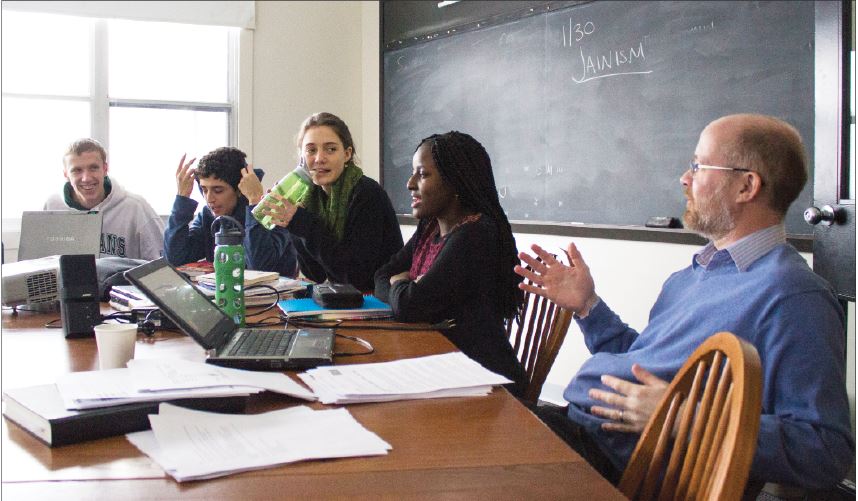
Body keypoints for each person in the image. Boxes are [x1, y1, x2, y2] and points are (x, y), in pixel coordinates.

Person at [515, 114, 853, 490]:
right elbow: (647, 365)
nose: (685, 178)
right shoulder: (690, 277)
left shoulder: (793, 296)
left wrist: (684, 417)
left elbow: (826, 450)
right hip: (579, 432)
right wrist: (588, 306)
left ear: (747, 186)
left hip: (624, 474)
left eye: (698, 165)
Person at [374, 131, 528, 395]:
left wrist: (401, 283)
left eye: (422, 174)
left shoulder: (475, 234)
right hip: (445, 366)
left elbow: (411, 306)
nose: (410, 183)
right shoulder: (430, 227)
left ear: (455, 182)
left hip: (487, 381)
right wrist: (404, 287)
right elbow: (381, 276)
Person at [256, 112, 402, 291]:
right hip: (346, 300)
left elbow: (356, 277)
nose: (319, 158)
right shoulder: (312, 197)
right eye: (311, 150)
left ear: (347, 154)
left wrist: (301, 222)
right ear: (302, 157)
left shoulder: (367, 194)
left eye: (330, 149)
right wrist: (292, 223)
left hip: (377, 302)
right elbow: (315, 273)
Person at [164, 146, 298, 277]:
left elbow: (259, 267)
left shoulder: (274, 212)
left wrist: (255, 203)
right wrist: (182, 199)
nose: (209, 198)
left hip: (276, 297)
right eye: (204, 190)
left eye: (218, 190)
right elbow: (174, 259)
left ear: (239, 189)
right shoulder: (208, 216)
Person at [43, 138, 165, 261]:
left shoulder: (136, 207)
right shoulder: (52, 206)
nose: (86, 178)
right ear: (66, 174)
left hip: (121, 280)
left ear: (105, 169)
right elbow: (37, 265)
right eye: (77, 170)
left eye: (93, 168)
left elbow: (161, 266)